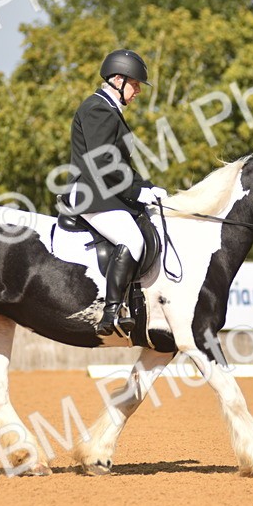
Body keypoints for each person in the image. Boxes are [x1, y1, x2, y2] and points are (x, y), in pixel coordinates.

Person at [67, 49, 167, 337]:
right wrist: (136, 193)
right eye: (135, 84)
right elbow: (102, 162)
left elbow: (120, 166)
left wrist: (147, 187)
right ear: (118, 80)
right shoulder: (98, 108)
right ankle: (111, 311)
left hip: (107, 191)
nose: (137, 91)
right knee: (132, 239)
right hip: (91, 193)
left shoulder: (110, 111)